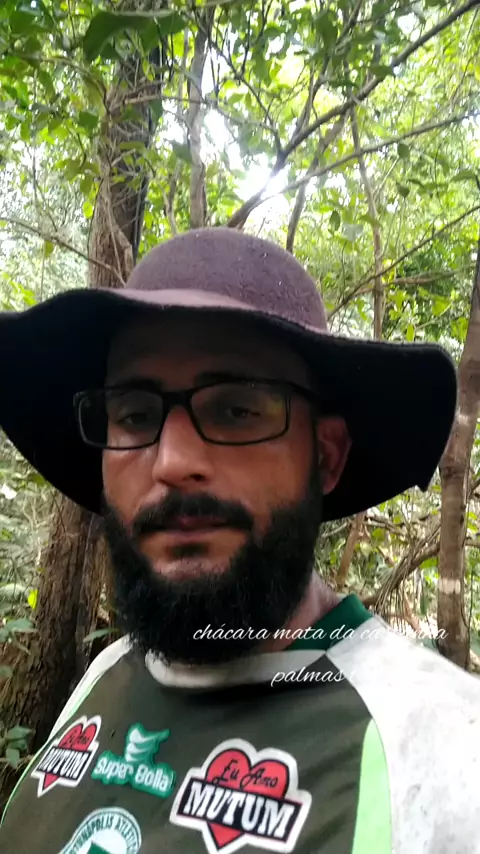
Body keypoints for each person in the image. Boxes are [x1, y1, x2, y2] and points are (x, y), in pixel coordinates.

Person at [0, 227, 478, 854]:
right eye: (135, 415)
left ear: (326, 456)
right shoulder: (108, 675)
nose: (172, 462)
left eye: (237, 410)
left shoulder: (444, 753)